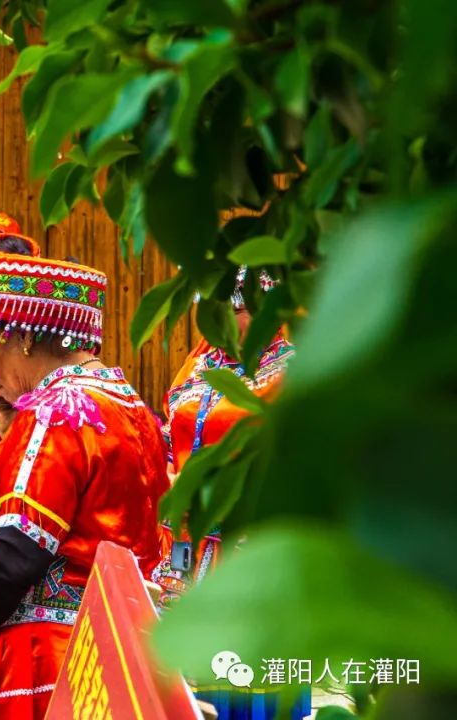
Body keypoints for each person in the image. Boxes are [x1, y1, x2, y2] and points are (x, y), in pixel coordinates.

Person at [0, 252, 169, 720]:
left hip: (48, 659)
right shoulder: (131, 404)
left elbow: (16, 553)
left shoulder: (55, 412)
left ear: (24, 337)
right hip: (119, 644)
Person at [149, 269, 304, 720]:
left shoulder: (292, 369)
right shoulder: (200, 363)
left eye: (237, 308)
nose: (226, 319)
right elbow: (173, 429)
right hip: (183, 545)